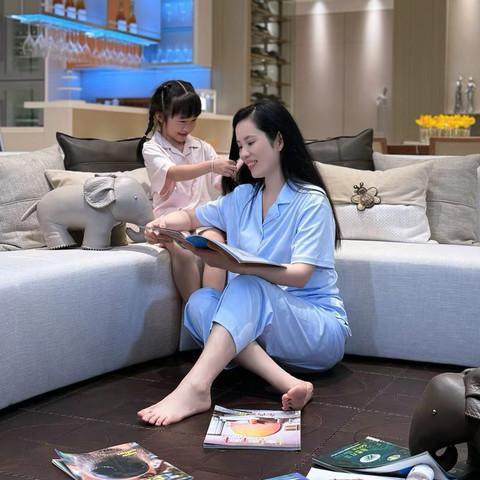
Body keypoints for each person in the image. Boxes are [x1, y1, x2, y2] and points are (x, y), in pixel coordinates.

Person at [138, 98, 351, 427]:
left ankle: (196, 388)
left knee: (248, 283)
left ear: (279, 140)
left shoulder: (311, 201)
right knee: (199, 302)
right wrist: (162, 224)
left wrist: (239, 267)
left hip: (314, 330)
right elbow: (192, 216)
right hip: (262, 332)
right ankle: (286, 381)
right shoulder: (243, 197)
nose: (244, 153)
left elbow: (300, 275)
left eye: (251, 142)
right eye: (239, 146)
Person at [140, 80, 238, 301]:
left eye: (193, 120)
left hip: (202, 217)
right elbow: (173, 172)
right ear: (160, 116)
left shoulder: (202, 147)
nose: (188, 128)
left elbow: (219, 183)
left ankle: (210, 308)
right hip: (170, 219)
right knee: (183, 251)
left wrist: (237, 175)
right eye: (182, 121)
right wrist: (212, 165)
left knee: (217, 246)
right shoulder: (152, 148)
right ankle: (195, 308)